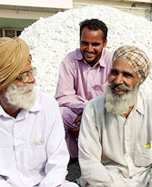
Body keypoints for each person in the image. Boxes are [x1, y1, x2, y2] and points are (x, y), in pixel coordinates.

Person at [0, 37, 77, 187]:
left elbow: (57, 163)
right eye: (23, 75)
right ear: (2, 83)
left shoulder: (47, 105)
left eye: (31, 72)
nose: (32, 80)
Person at [78, 45, 152, 186]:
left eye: (127, 75)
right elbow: (89, 161)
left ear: (139, 80)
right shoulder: (93, 109)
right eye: (114, 72)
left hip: (146, 179)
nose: (118, 81)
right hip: (108, 180)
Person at [55, 19, 113, 181]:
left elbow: (114, 98)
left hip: (103, 116)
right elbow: (63, 96)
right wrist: (86, 111)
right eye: (84, 43)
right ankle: (68, 158)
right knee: (59, 114)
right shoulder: (70, 60)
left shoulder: (112, 61)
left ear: (105, 43)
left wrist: (90, 115)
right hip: (77, 115)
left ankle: (104, 159)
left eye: (95, 44)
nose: (89, 49)